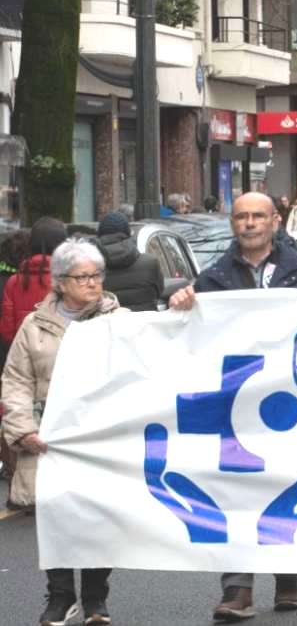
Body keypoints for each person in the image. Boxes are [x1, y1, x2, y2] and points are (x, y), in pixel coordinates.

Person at [166, 192, 297, 620]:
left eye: (258, 216)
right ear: (233, 224)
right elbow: (189, 334)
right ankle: (237, 589)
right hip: (233, 404)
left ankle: (286, 577)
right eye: (241, 216)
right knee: (233, 490)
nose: (250, 223)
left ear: (275, 221)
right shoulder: (214, 276)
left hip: (286, 404)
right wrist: (180, 306)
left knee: (285, 483)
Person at [3, 241, 122, 625]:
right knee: (54, 518)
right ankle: (60, 597)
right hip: (47, 440)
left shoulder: (118, 320)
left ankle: (95, 599)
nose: (92, 283)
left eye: (97, 275)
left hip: (99, 437)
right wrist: (22, 429)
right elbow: (16, 380)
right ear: (60, 282)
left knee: (97, 518)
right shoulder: (34, 325)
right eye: (83, 277)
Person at [2, 218, 69, 349]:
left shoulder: (14, 282)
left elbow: (7, 331)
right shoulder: (69, 279)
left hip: (25, 357)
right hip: (62, 357)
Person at [91, 210, 161, 313]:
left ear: (100, 234)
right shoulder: (150, 263)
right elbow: (160, 292)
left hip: (106, 327)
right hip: (145, 326)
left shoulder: (89, 270)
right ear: (129, 233)